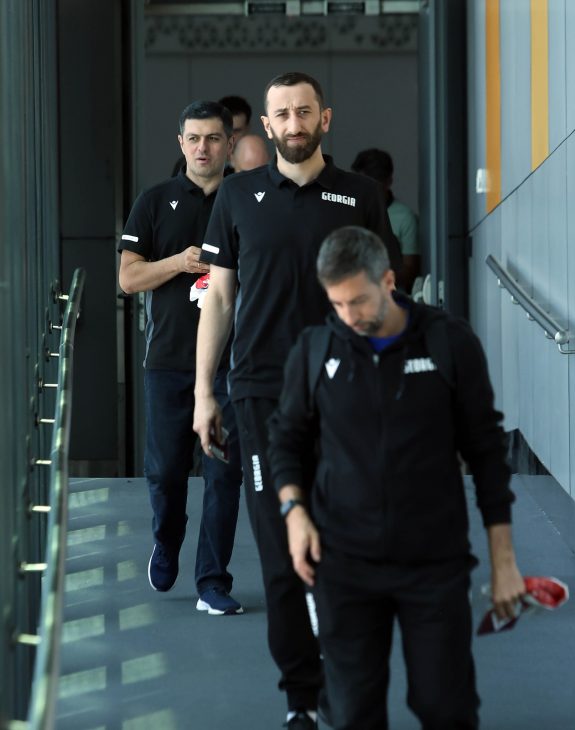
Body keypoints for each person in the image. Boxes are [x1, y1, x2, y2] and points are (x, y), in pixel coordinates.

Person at [193, 72, 402, 729]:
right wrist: (203, 392)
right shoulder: (236, 195)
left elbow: (387, 297)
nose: (293, 124)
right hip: (260, 396)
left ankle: (344, 674)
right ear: (266, 123)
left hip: (348, 395)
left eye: (303, 112)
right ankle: (301, 698)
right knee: (283, 555)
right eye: (281, 114)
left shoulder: (361, 196)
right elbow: (219, 298)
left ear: (324, 119)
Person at [268, 225, 526, 730]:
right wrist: (294, 512)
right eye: (337, 304)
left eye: (359, 301)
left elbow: (488, 455)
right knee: (352, 714)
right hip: (344, 563)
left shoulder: (448, 342)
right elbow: (285, 440)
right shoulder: (316, 350)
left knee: (443, 708)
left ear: (388, 281)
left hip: (433, 563)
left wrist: (504, 563)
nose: (349, 316)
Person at [118, 100, 244, 616]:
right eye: (193, 138)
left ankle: (212, 581)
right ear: (181, 143)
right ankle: (166, 541)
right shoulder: (155, 201)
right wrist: (177, 262)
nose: (202, 148)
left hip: (232, 365)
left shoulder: (248, 198)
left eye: (213, 138)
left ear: (230, 143)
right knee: (167, 472)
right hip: (168, 361)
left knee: (224, 476)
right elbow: (128, 279)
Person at [351, 148, 420, 292]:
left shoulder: (405, 218)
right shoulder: (348, 210)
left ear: (388, 182)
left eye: (368, 186)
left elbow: (410, 270)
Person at [171, 94, 253, 176]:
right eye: (194, 138)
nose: (230, 135)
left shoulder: (255, 159)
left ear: (248, 129)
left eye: (237, 131)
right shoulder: (187, 164)